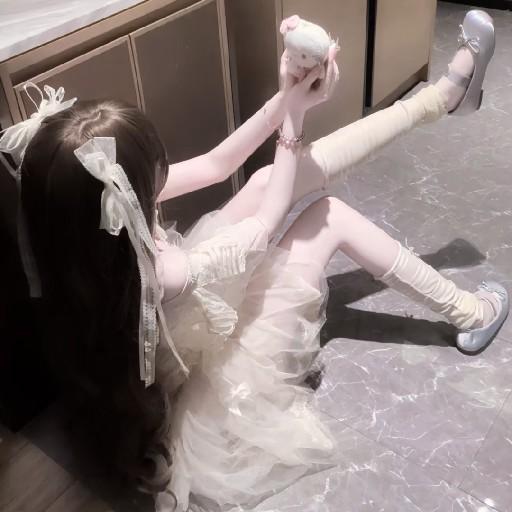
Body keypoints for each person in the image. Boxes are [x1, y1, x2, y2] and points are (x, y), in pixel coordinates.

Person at [0, 8, 506, 512]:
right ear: (128, 197)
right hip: (214, 376)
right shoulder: (161, 272)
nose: (161, 177)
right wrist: (295, 120)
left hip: (184, 334)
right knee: (329, 216)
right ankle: (470, 312)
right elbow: (265, 225)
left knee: (265, 179)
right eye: (154, 174)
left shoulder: (86, 230)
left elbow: (217, 164)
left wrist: (288, 96)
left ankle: (440, 100)